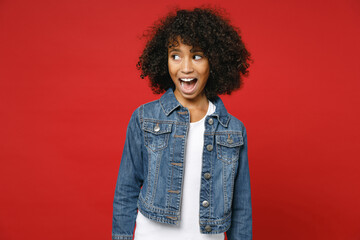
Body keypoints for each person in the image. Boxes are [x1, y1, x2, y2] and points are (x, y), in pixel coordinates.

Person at [112, 7, 252, 240]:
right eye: (175, 55)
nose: (186, 67)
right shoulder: (144, 118)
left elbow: (241, 209)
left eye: (197, 55)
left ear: (214, 61)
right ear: (163, 59)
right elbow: (125, 192)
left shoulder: (233, 130)